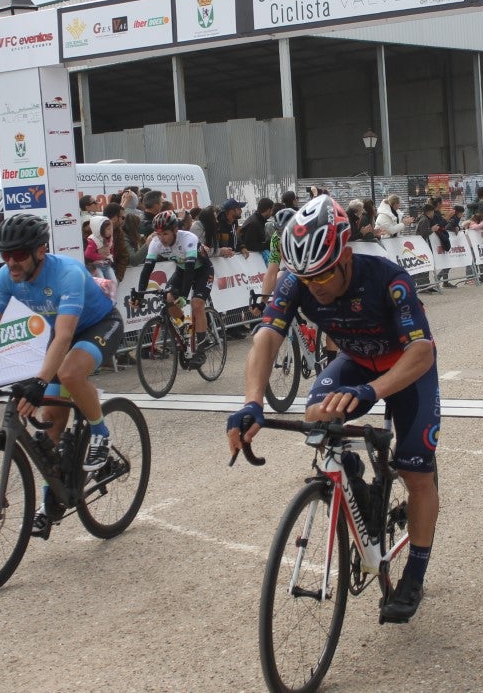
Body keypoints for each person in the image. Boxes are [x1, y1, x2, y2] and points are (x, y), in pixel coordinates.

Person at [228, 195, 440, 624]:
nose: (316, 287)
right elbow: (266, 339)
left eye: (323, 274)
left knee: (416, 471)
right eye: (307, 278)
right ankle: (354, 482)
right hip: (356, 361)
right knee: (317, 415)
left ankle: (414, 575)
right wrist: (252, 401)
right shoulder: (297, 282)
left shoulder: (388, 279)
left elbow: (422, 351)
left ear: (344, 255)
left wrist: (371, 391)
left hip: (404, 368)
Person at [0, 214, 122, 540]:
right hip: (62, 333)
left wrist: (39, 381)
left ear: (40, 250)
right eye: (5, 254)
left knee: (69, 373)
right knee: (50, 423)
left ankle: (100, 432)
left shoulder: (66, 273)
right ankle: (52, 500)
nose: (10, 262)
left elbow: (64, 336)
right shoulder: (6, 277)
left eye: (19, 254)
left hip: (99, 325)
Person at [130, 210, 214, 367]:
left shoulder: (188, 238)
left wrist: (183, 296)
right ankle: (184, 327)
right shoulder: (156, 243)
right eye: (158, 234)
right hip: (181, 271)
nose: (162, 238)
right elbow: (147, 270)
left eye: (165, 234)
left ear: (175, 230)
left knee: (196, 304)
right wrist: (140, 294)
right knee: (168, 298)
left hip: (202, 271)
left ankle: (202, 347)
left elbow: (190, 270)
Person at [417, 199, 454, 288]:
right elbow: (422, 233)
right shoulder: (425, 219)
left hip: (429, 243)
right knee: (426, 264)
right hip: (425, 244)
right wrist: (432, 229)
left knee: (429, 264)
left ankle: (426, 284)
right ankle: (423, 285)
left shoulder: (427, 218)